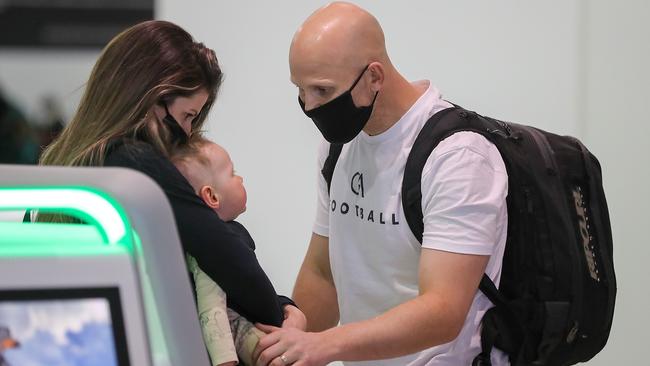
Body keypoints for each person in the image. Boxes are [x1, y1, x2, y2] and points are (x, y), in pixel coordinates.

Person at [253, 2, 508, 366]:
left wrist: (327, 345)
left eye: (322, 92)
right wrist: (292, 347)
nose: (309, 106)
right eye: (301, 90)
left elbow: (443, 311)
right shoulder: (339, 146)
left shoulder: (458, 157)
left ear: (374, 77)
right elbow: (323, 272)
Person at [38, 20, 305, 338]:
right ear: (154, 98)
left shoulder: (70, 158)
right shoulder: (134, 161)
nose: (189, 132)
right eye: (187, 116)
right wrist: (282, 311)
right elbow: (223, 256)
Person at [171, 137, 266, 366]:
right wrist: (226, 362)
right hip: (244, 344)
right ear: (212, 197)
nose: (240, 178)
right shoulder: (209, 247)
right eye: (233, 173)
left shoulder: (226, 235)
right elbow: (211, 309)